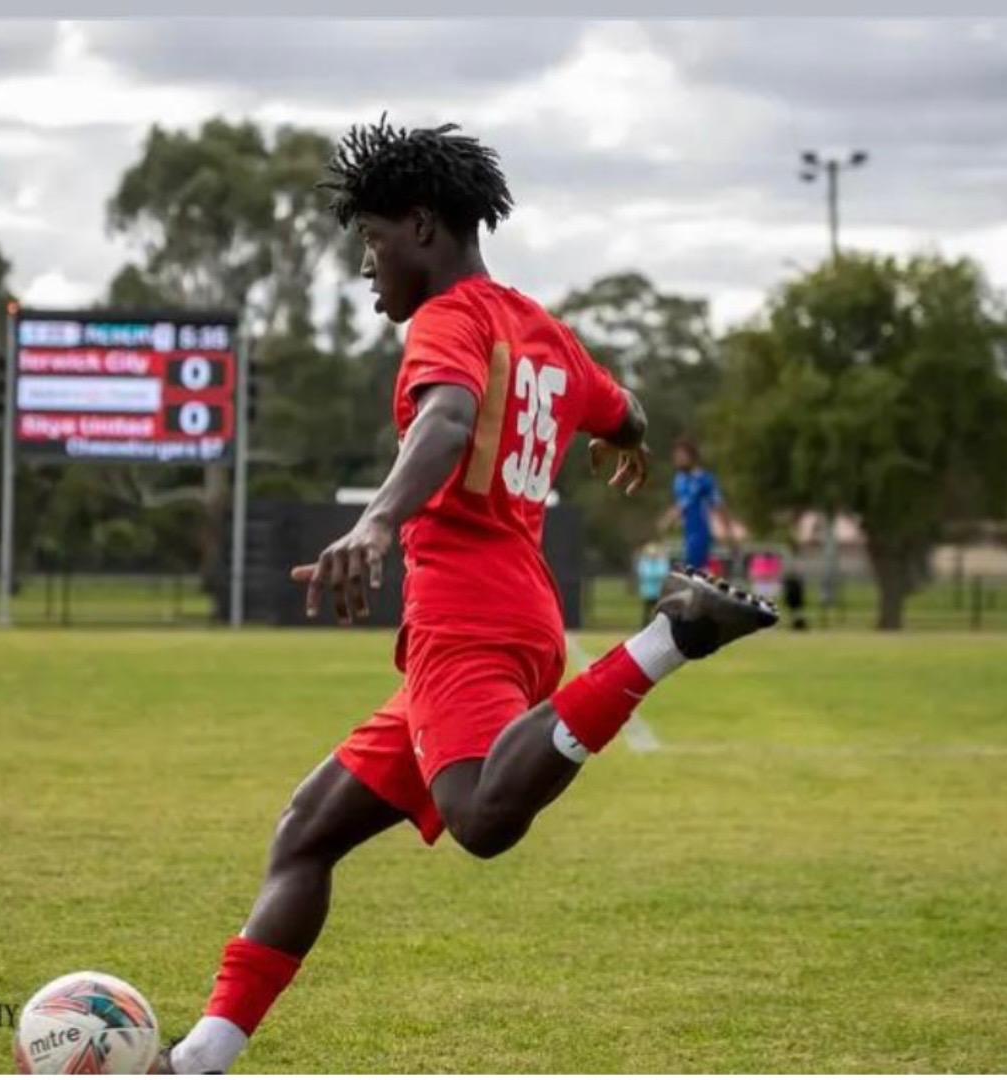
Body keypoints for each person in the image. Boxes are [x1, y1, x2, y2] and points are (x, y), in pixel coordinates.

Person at [155, 117, 778, 1075]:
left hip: (465, 614)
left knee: (483, 819)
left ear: (420, 226)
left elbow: (446, 418)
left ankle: (670, 636)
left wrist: (374, 521)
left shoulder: (446, 322)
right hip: (516, 609)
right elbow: (628, 410)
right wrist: (624, 436)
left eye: (370, 240)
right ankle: (197, 1058)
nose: (366, 266)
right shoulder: (547, 333)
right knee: (306, 832)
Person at [657, 437, 741, 574]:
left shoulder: (704, 479)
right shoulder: (679, 479)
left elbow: (719, 506)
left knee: (694, 571)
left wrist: (729, 534)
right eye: (676, 457)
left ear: (692, 457)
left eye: (681, 456)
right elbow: (680, 504)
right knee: (692, 572)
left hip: (702, 531)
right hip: (688, 532)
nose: (677, 460)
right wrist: (667, 519)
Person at [634, 542, 671, 628]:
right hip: (648, 591)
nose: (653, 555)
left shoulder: (661, 562)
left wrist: (653, 575)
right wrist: (655, 576)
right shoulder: (644, 562)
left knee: (659, 612)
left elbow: (663, 573)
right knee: (647, 611)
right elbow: (644, 574)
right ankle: (644, 627)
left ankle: (658, 627)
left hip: (659, 592)